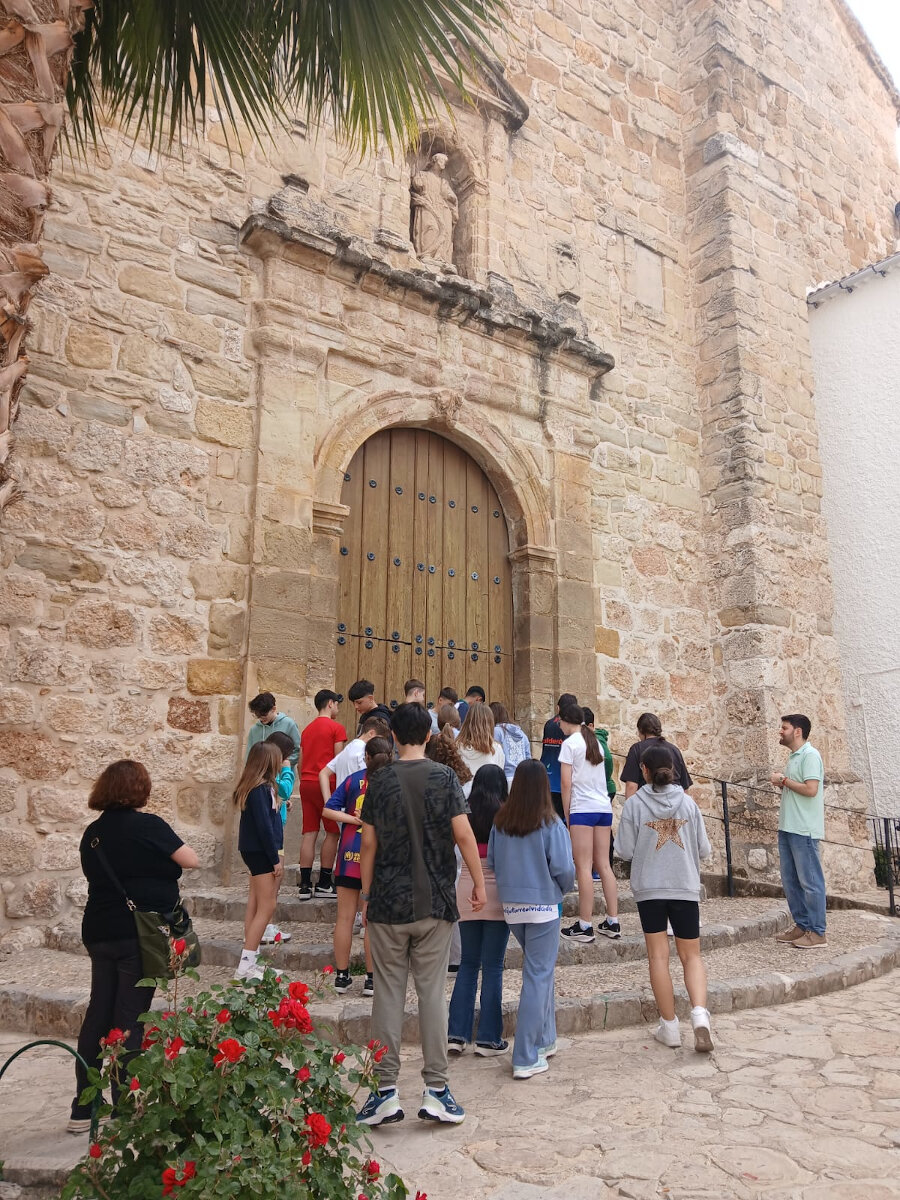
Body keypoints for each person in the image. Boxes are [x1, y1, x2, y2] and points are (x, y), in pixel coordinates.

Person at [356, 703, 486, 1128]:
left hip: (388, 904)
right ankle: (436, 1089)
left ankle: (385, 1090)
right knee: (431, 993)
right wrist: (478, 882)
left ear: (393, 736)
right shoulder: (445, 776)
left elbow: (369, 844)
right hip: (435, 901)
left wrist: (367, 892)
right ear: (429, 735)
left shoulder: (380, 780)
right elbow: (463, 833)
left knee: (387, 995)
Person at [68, 760, 199, 1134]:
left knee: (99, 1012)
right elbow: (190, 859)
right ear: (140, 790)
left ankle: (84, 1105)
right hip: (136, 933)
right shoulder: (149, 826)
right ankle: (127, 1105)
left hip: (98, 929)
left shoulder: (92, 833)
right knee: (129, 1017)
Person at [615, 743, 713, 1052]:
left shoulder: (634, 805)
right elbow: (704, 850)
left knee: (658, 956)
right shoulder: (688, 805)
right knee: (691, 955)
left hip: (650, 888)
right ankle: (699, 1014)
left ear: (643, 770)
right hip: (683, 885)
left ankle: (669, 1026)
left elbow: (624, 851)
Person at [488, 759, 574, 1080]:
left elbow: (494, 862)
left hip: (513, 906)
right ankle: (524, 1055)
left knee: (540, 972)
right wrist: (558, 890)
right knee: (538, 976)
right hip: (543, 906)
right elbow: (565, 869)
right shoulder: (551, 825)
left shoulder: (501, 823)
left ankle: (544, 1039)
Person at [448, 765, 510, 1057]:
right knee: (494, 965)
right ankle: (488, 1037)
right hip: (497, 888)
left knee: (468, 963)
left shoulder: (465, 811)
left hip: (466, 885)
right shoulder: (507, 813)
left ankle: (456, 1033)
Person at [326, 736, 393, 997]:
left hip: (348, 853)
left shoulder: (354, 780)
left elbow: (328, 809)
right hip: (376, 857)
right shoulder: (390, 782)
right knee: (371, 921)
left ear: (365, 756)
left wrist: (351, 819)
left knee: (344, 918)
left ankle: (341, 976)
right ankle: (371, 978)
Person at [558, 704, 620, 943]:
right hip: (602, 808)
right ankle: (612, 920)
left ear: (566, 720)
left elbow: (566, 783)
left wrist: (567, 813)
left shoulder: (570, 744)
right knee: (604, 865)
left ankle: (585, 924)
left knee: (583, 867)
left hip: (582, 809)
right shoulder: (594, 741)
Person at [770, 713, 827, 949]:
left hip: (804, 830)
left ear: (797, 731)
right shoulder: (794, 756)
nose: (780, 731)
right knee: (791, 881)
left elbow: (811, 789)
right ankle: (802, 926)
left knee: (810, 882)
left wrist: (783, 781)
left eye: (784, 728)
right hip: (788, 828)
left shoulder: (810, 756)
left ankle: (817, 932)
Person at [234, 742, 284, 981]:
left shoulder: (255, 789)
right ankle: (246, 963)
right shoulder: (261, 790)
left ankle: (250, 960)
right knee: (268, 906)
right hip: (261, 852)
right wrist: (274, 859)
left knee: (256, 905)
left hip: (252, 850)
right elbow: (264, 827)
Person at [298, 689, 347, 900]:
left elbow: (300, 760)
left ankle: (305, 885)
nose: (337, 707)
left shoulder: (307, 730)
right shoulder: (336, 728)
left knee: (309, 832)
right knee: (332, 832)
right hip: (327, 784)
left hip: (307, 782)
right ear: (330, 703)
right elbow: (338, 760)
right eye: (336, 703)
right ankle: (325, 882)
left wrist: (304, 779)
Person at [262, 730, 296, 945]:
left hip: (277, 828)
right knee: (273, 881)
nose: (288, 760)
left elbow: (280, 797)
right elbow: (284, 789)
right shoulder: (274, 772)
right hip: (273, 834)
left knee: (274, 882)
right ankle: (265, 925)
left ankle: (267, 923)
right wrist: (287, 771)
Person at [620, 713, 692, 799]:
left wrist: (630, 807)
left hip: (647, 802)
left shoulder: (637, 749)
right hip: (674, 801)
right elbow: (685, 787)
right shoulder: (674, 750)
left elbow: (631, 785)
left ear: (641, 730)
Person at [319, 715, 391, 801]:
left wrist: (328, 802)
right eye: (379, 739)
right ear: (371, 733)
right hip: (356, 807)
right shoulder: (363, 751)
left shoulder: (348, 748)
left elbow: (323, 773)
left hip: (341, 806)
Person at [540, 693, 577, 821]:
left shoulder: (549, 724)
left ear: (558, 708)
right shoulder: (571, 727)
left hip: (548, 778)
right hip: (565, 780)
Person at [456, 703, 504, 798]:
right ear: (490, 723)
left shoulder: (456, 747)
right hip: (488, 800)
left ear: (467, 721)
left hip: (462, 800)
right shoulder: (496, 749)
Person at [245, 692, 300, 768]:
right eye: (258, 715)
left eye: (264, 714)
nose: (261, 718)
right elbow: (249, 755)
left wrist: (283, 764)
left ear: (273, 709)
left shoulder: (289, 724)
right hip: (260, 776)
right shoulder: (254, 730)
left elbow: (298, 750)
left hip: (282, 775)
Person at [489, 701, 532, 785]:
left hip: (504, 777)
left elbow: (494, 755)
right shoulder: (522, 733)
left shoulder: (497, 731)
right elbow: (528, 757)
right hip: (522, 777)